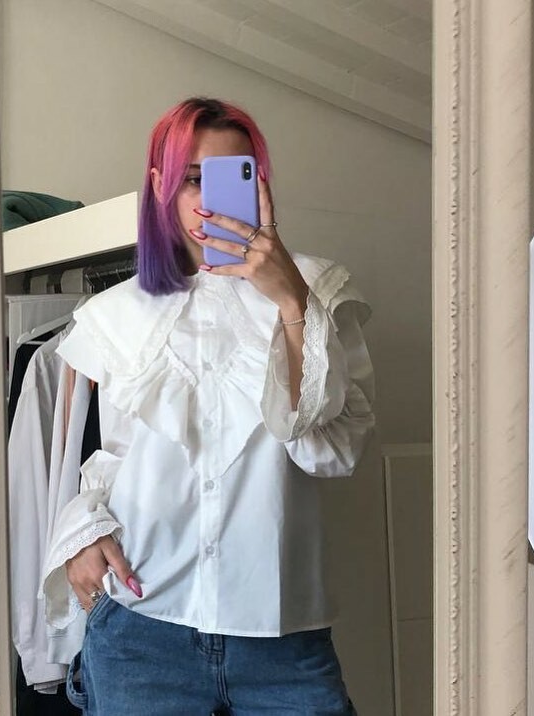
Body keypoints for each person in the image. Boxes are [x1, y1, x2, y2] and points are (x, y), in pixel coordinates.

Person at [41, 97, 374, 715]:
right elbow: (106, 462)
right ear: (159, 186)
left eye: (231, 178)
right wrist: (82, 535)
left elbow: (334, 452)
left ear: (259, 184)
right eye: (192, 178)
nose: (209, 201)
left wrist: (292, 303)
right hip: (141, 630)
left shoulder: (320, 290)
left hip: (281, 640)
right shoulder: (113, 317)